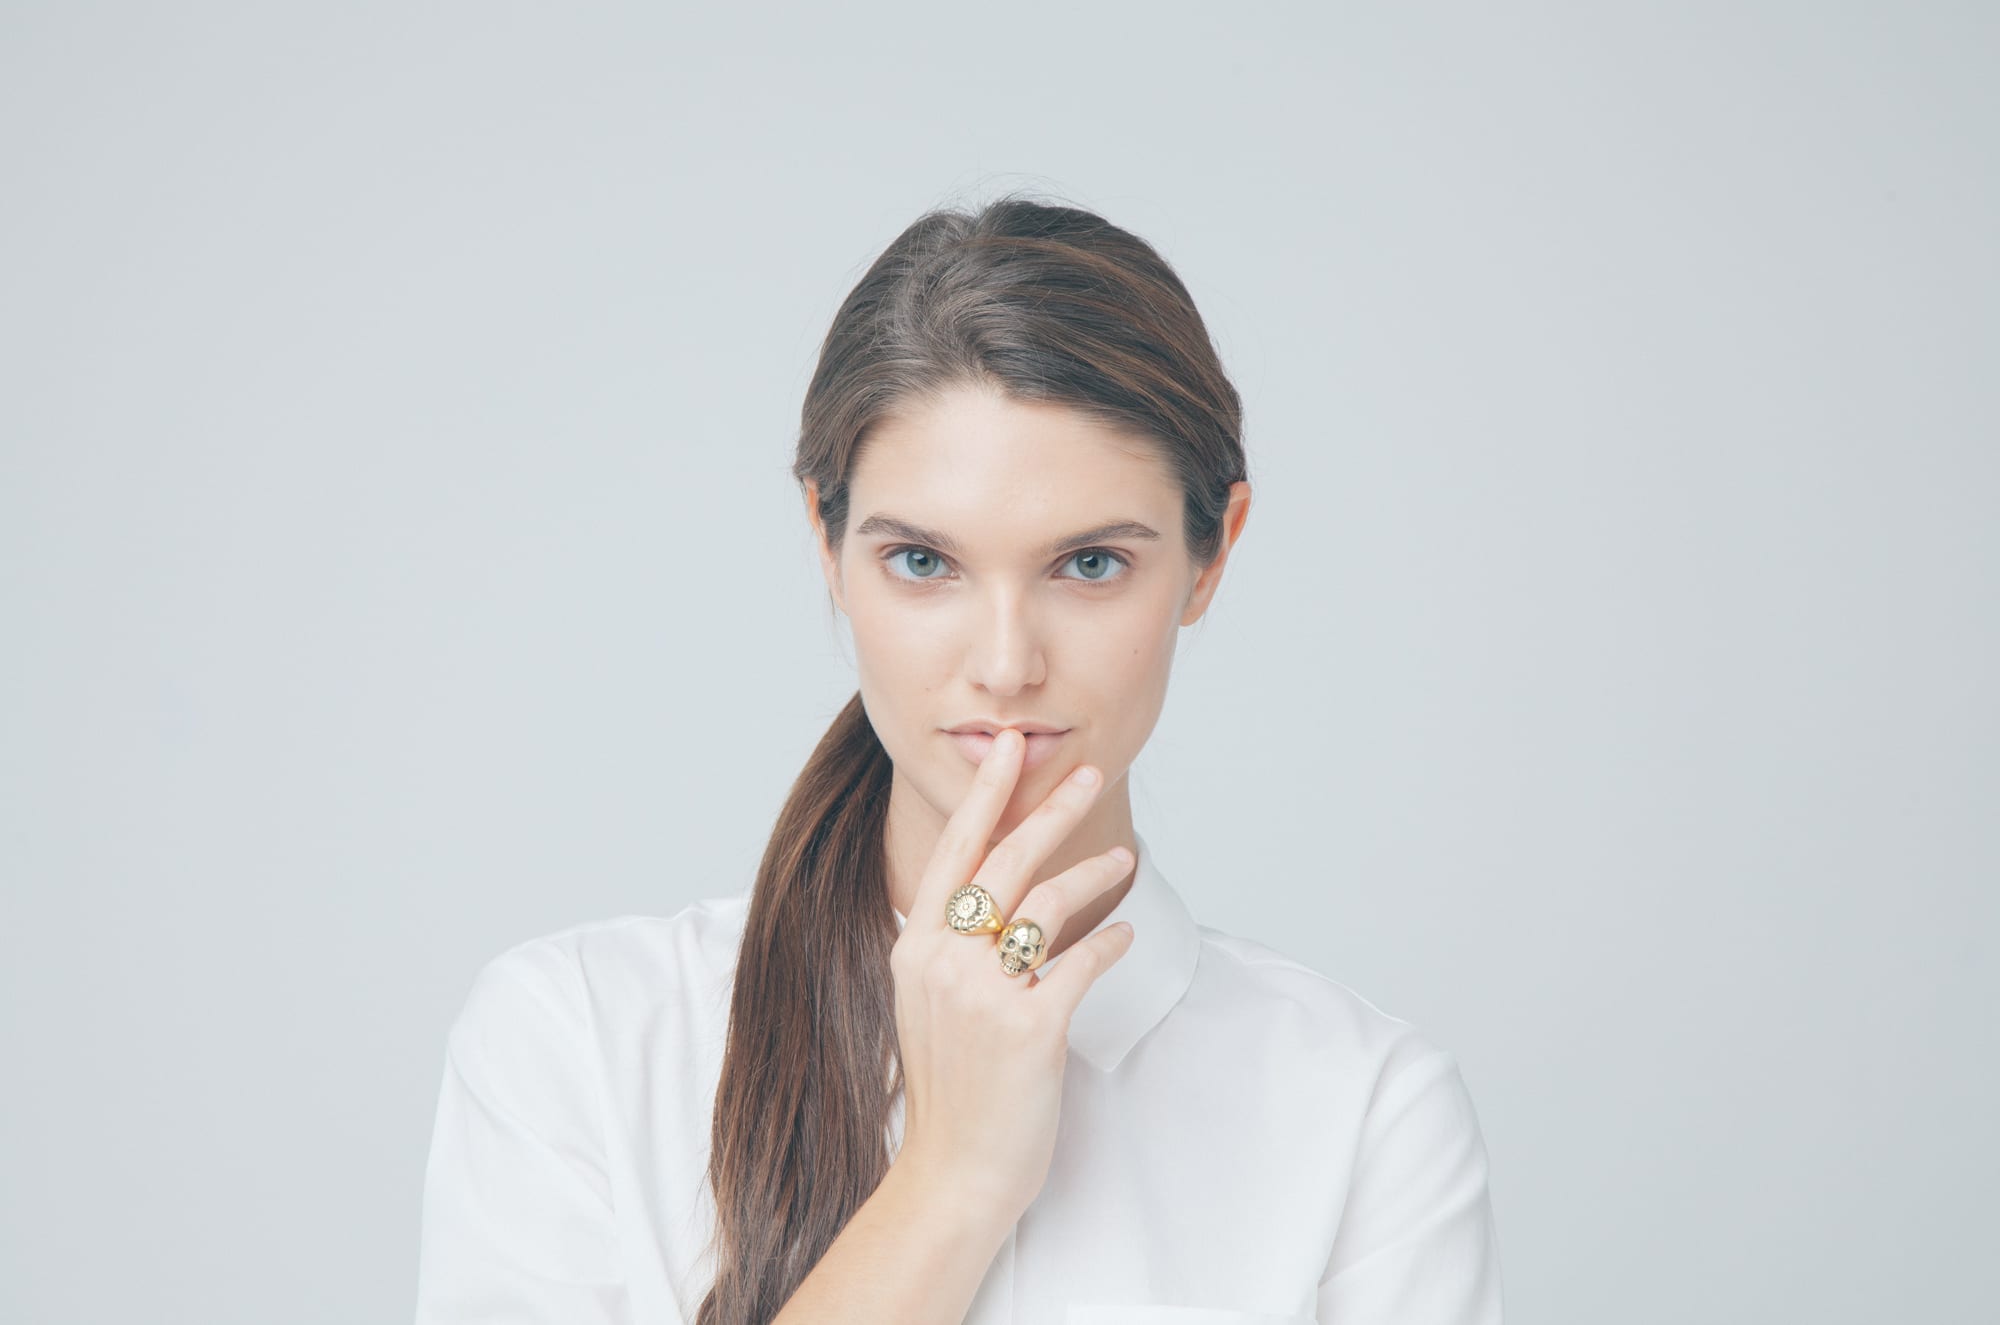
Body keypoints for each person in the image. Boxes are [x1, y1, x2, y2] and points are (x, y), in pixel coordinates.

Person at [414, 196, 1505, 1324]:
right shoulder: (582, 1041)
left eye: (1089, 564)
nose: (1005, 663)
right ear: (826, 544)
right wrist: (950, 1180)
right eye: (923, 562)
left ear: (1210, 555)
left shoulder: (1363, 1114)